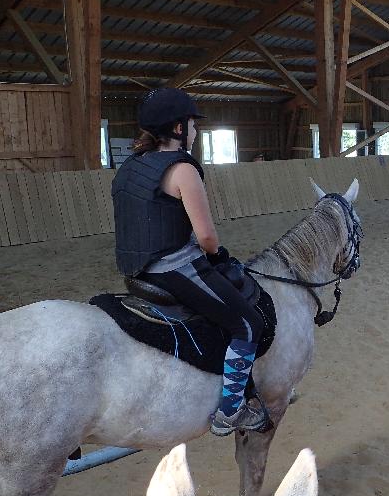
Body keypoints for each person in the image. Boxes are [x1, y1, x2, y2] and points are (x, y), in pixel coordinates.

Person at [111, 87, 270, 437]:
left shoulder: (132, 165)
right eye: (192, 124)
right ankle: (230, 412)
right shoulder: (183, 170)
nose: (196, 131)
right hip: (173, 268)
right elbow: (208, 239)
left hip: (135, 268)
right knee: (248, 325)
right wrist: (218, 255)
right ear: (178, 129)